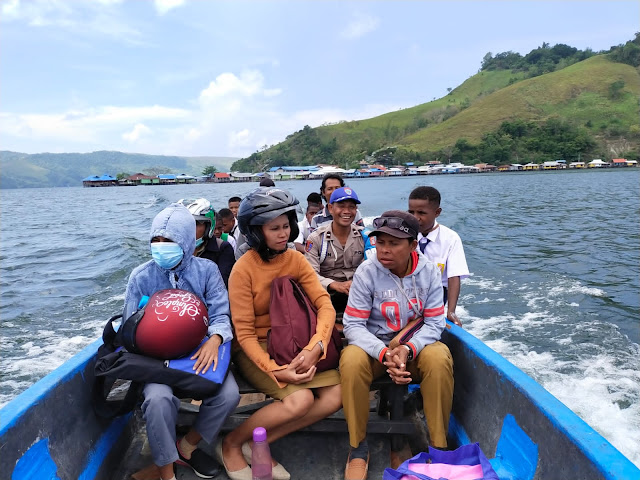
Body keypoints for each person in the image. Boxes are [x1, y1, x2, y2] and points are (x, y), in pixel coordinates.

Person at [218, 187, 342, 480]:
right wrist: (277, 371)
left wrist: (316, 346)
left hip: (299, 342)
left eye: (286, 226)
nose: (283, 233)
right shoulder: (243, 270)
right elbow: (245, 334)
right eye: (274, 228)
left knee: (336, 395)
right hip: (259, 348)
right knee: (301, 401)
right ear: (256, 232)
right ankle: (231, 443)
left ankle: (258, 442)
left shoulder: (296, 260)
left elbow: (324, 305)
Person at [123, 203, 240, 480]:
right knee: (157, 399)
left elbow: (221, 313)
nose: (161, 247)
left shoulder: (207, 270)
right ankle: (167, 471)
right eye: (156, 241)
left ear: (187, 241)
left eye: (170, 241)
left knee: (229, 395)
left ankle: (187, 446)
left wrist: (216, 339)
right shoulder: (141, 276)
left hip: (199, 351)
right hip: (155, 358)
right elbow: (129, 327)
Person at [339, 210, 454, 480]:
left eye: (394, 243)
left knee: (440, 357)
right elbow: (353, 325)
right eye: (380, 243)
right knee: (351, 361)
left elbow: (435, 323)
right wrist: (384, 353)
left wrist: (408, 349)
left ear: (413, 245)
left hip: (414, 348)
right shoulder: (367, 272)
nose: (384, 250)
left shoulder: (428, 272)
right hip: (376, 350)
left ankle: (438, 447)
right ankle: (357, 446)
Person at [408, 186, 469, 327]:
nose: (415, 218)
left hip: (436, 292)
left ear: (437, 212)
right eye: (411, 212)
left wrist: (451, 311)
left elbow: (453, 277)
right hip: (407, 289)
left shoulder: (450, 239)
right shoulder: (404, 234)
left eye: (421, 213)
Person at [305, 187, 366, 317]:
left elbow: (374, 269)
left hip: (358, 293)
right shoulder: (316, 238)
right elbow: (309, 274)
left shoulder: (364, 236)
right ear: (331, 208)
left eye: (351, 207)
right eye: (341, 206)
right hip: (327, 295)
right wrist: (334, 284)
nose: (347, 211)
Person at [181, 198, 236, 287]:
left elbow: (222, 285)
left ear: (208, 226)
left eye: (195, 223)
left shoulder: (222, 248)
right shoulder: (177, 250)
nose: (189, 228)